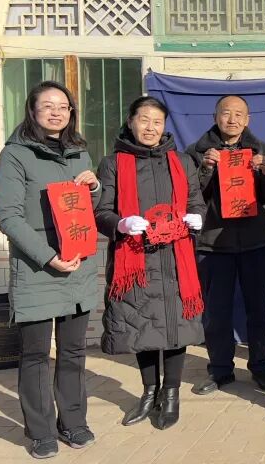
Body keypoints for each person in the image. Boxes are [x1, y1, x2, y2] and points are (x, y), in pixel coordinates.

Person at [0, 82, 100, 459]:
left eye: (63, 107)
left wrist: (94, 187)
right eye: (47, 106)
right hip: (37, 267)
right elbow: (8, 216)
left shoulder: (79, 151)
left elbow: (88, 207)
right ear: (32, 110)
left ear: (71, 113)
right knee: (36, 354)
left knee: (73, 351)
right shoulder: (15, 155)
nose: (56, 112)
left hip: (77, 265)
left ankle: (73, 421)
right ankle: (40, 431)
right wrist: (47, 256)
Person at [94, 96, 205, 430]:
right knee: (141, 324)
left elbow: (196, 202)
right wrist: (120, 224)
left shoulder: (182, 162)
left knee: (175, 327)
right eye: (144, 120)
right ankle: (148, 392)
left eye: (157, 122)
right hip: (136, 258)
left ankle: (171, 394)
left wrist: (197, 217)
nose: (151, 127)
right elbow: (101, 211)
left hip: (175, 258)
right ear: (131, 122)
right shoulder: (113, 163)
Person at [184, 95, 265, 395]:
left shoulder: (264, 150)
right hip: (213, 245)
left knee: (260, 311)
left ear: (248, 120)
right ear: (216, 117)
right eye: (226, 113)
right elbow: (188, 196)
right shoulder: (196, 152)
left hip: (257, 242)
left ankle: (261, 366)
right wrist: (205, 169)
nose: (232, 119)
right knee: (216, 313)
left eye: (239, 114)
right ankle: (220, 369)